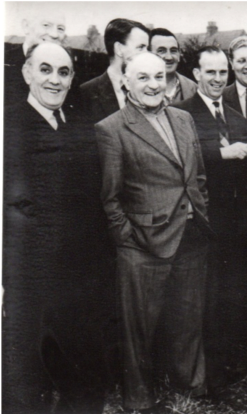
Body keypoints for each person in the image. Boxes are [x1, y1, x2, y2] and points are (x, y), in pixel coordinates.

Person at [95, 52, 212, 411]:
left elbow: (198, 175)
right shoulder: (112, 128)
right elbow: (110, 197)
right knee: (138, 330)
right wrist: (127, 239)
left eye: (159, 76)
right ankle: (140, 399)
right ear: (125, 82)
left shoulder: (184, 117)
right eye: (142, 77)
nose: (152, 85)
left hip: (191, 235)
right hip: (142, 244)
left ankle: (191, 384)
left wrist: (200, 209)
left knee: (189, 317)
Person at [3, 42, 113, 414]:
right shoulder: (10, 128)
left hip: (78, 280)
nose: (55, 80)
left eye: (64, 72)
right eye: (46, 69)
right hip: (29, 283)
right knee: (25, 385)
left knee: (84, 378)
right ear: (26, 73)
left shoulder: (74, 125)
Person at [172, 46, 247, 388]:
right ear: (195, 74)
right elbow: (181, 162)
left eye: (221, 73)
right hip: (200, 222)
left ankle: (226, 362)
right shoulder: (179, 113)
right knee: (203, 297)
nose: (216, 79)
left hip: (234, 222)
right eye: (209, 72)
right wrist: (221, 153)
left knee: (231, 292)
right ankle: (204, 370)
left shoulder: (236, 116)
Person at [80, 18, 150, 125]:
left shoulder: (151, 88)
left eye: (147, 48)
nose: (147, 54)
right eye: (141, 48)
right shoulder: (86, 94)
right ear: (119, 49)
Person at [3, 11, 67, 111]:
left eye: (60, 28)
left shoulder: (68, 73)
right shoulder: (5, 63)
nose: (54, 34)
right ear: (26, 26)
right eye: (46, 25)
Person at [149, 28, 197, 104]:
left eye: (173, 50)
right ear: (149, 54)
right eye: (161, 51)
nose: (169, 57)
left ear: (179, 54)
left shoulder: (194, 88)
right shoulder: (140, 88)